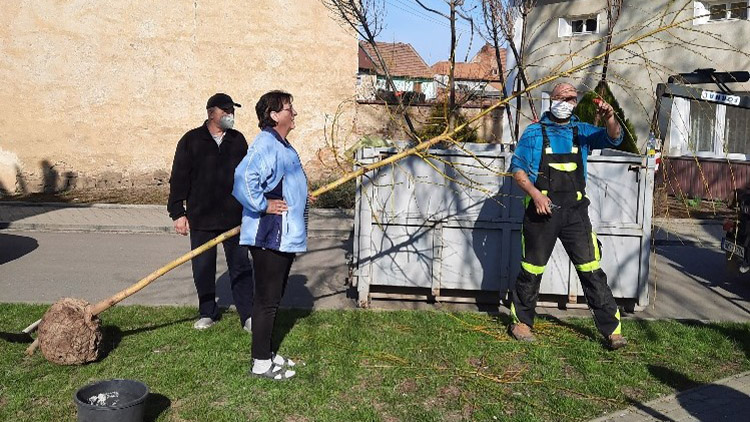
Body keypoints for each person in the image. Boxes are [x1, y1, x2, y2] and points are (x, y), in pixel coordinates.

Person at [508, 82, 628, 350]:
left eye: (572, 98)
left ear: (575, 103)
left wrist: (610, 117)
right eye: (562, 97)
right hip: (541, 212)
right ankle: (522, 322)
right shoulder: (533, 133)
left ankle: (613, 331)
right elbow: (517, 169)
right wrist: (536, 195)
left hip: (575, 213)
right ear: (552, 100)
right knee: (531, 269)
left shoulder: (582, 131)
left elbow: (614, 137)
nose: (567, 101)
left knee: (591, 269)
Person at [233, 90, 307, 380]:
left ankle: (265, 353)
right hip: (270, 237)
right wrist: (263, 205)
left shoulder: (283, 144)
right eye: (289, 108)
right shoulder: (265, 143)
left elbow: (285, 179)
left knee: (272, 300)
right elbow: (243, 178)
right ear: (274, 115)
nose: (294, 113)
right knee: (266, 301)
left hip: (285, 236)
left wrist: (301, 192)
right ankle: (260, 363)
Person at [167, 93, 254, 332]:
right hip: (201, 216)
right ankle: (208, 312)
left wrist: (252, 208)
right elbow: (179, 178)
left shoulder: (237, 140)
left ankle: (248, 316)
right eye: (225, 110)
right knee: (203, 267)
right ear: (210, 113)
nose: (230, 115)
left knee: (241, 266)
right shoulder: (192, 140)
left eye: (232, 111)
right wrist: (178, 213)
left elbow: (247, 176)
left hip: (234, 217)